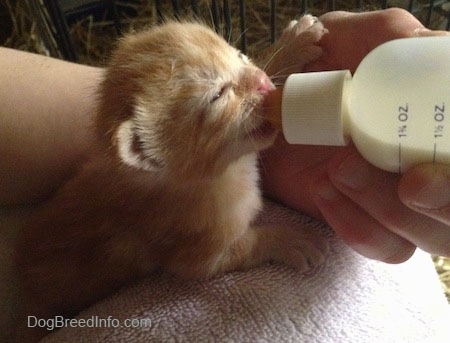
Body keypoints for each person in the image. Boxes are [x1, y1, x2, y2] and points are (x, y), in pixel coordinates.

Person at [0, 8, 449, 263]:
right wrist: (265, 244)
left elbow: (252, 89)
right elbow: (199, 263)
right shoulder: (207, 215)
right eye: (217, 97)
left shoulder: (183, 161)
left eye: (235, 52)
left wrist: (285, 58)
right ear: (147, 152)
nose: (258, 75)